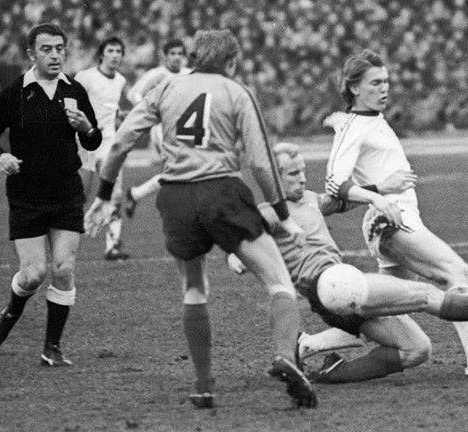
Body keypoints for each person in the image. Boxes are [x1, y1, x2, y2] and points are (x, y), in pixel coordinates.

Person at [84, 30, 317, 409]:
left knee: (194, 288)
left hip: (176, 197)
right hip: (221, 191)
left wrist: (102, 196)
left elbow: (121, 142)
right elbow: (261, 163)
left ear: (194, 57)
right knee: (279, 282)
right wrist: (283, 214)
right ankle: (285, 356)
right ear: (232, 62)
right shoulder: (236, 92)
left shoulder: (166, 88)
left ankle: (204, 385)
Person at [227, 142, 468, 383]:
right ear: (273, 179)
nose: (302, 177)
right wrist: (235, 256)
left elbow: (338, 201)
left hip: (338, 293)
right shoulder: (269, 212)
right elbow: (245, 235)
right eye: (293, 174)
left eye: (303, 170)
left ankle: (333, 374)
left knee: (417, 350)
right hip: (330, 283)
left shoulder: (309, 199)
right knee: (426, 295)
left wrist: (380, 190)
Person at [324, 49, 468, 377]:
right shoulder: (356, 126)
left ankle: (306, 346)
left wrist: (342, 119)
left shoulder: (368, 120)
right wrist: (379, 194)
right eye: (375, 82)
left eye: (386, 81)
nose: (384, 88)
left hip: (399, 216)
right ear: (354, 87)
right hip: (390, 220)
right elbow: (333, 183)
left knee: (383, 308)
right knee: (456, 271)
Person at [0, 23, 102, 366]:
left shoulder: (74, 90)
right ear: (32, 53)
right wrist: (0, 157)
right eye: (47, 49)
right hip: (27, 195)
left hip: (66, 193)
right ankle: (10, 311)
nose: (55, 55)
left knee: (63, 268)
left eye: (60, 48)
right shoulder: (15, 93)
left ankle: (52, 348)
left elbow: (93, 141)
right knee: (33, 274)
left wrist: (86, 128)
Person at [123, 38, 191, 218]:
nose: (177, 57)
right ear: (164, 56)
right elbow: (133, 94)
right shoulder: (157, 74)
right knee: (179, 169)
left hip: (184, 129)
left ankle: (136, 194)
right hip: (162, 128)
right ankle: (180, 211)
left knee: (179, 171)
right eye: (173, 53)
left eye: (180, 54)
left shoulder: (189, 74)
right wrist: (152, 110)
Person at [75, 36, 129, 260]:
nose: (115, 55)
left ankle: (112, 246)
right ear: (101, 54)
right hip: (84, 141)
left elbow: (111, 109)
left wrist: (119, 116)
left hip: (108, 142)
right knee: (79, 194)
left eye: (118, 51)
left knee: (115, 193)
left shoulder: (120, 81)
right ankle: (67, 239)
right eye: (111, 51)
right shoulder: (85, 77)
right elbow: (72, 103)